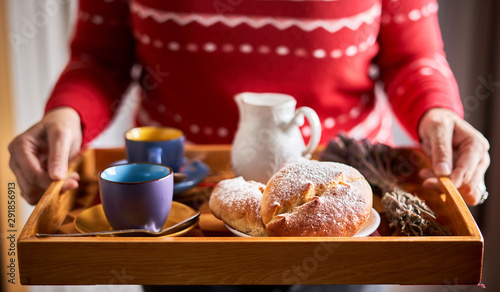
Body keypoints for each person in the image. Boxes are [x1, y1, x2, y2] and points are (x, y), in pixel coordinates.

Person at [8, 0, 489, 290]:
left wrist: (439, 112)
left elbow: (413, 54)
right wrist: (66, 114)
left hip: (346, 222)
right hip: (179, 212)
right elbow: (99, 55)